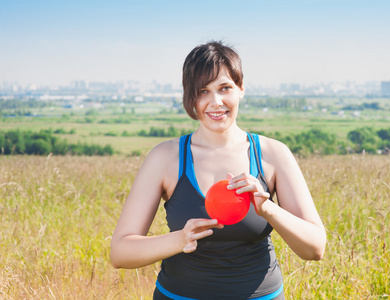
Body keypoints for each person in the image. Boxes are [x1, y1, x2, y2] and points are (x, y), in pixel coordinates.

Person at [110, 41, 326, 300]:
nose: (215, 102)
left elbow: (315, 248)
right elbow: (120, 253)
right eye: (203, 91)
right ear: (189, 96)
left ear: (241, 89)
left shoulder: (273, 154)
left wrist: (268, 209)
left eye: (225, 88)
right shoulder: (165, 158)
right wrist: (180, 240)